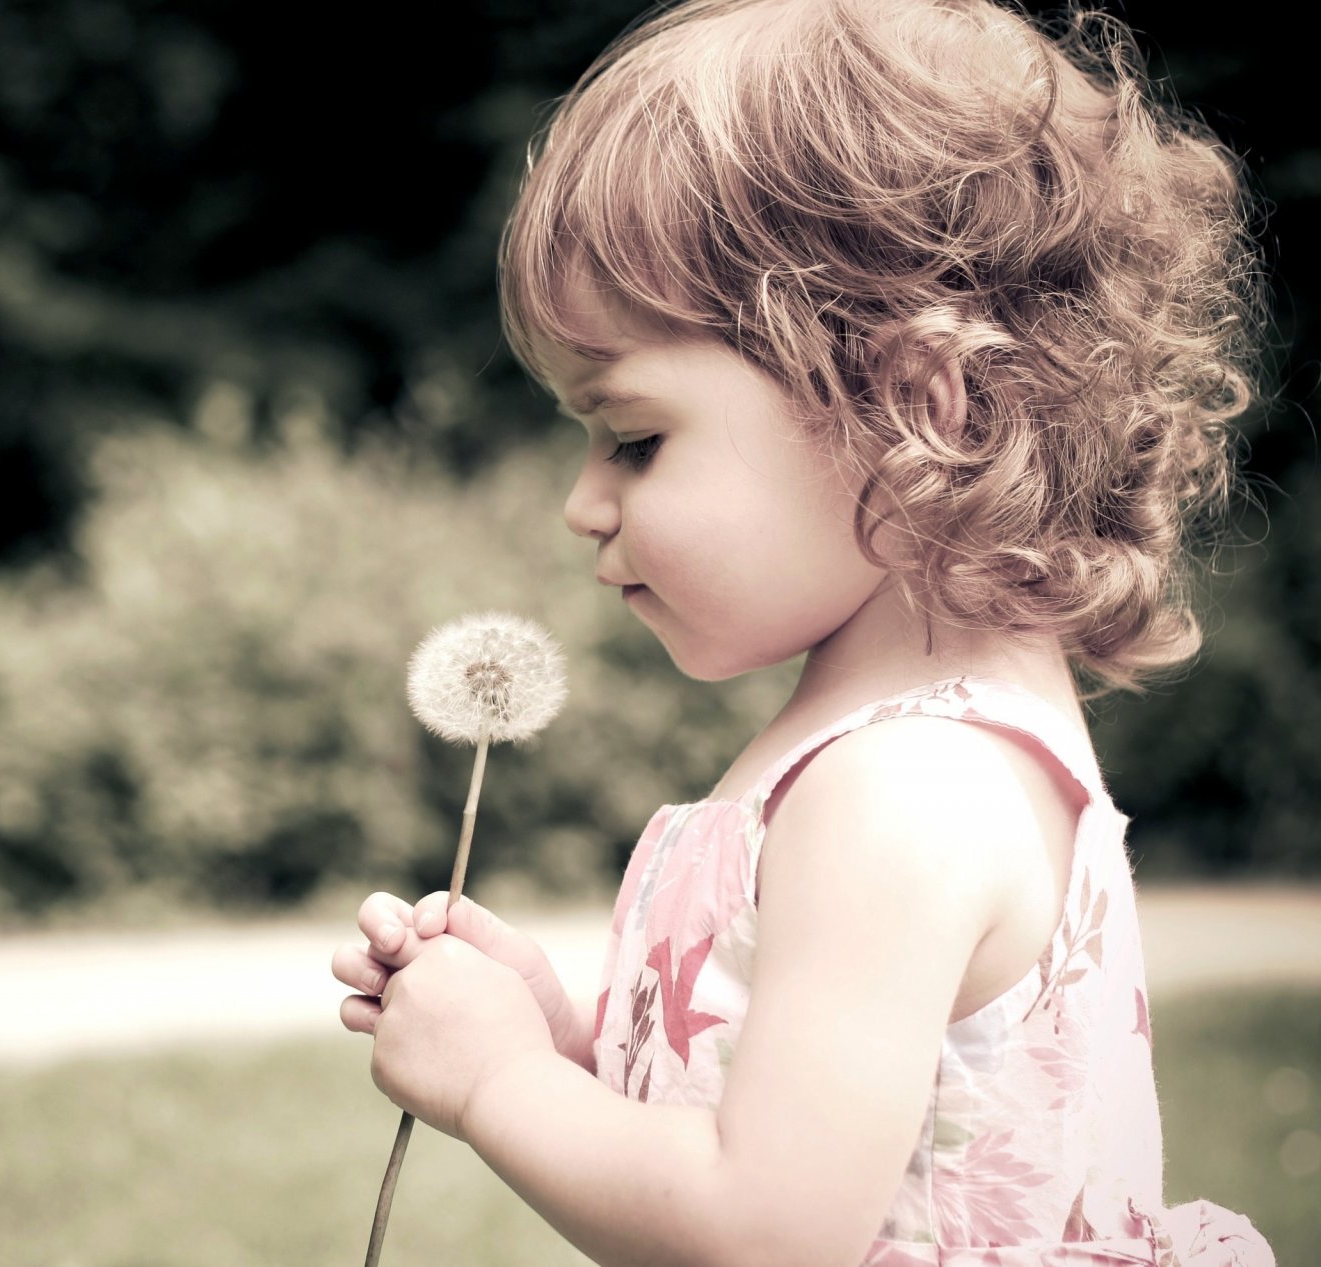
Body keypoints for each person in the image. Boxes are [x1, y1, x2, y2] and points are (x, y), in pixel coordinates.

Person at [329, 1, 1278, 1263]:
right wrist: (561, 1037)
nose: (582, 503)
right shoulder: (879, 758)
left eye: (634, 437)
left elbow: (765, 1227)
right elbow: (753, 1125)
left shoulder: (903, 790)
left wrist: (500, 1082)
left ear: (913, 410)